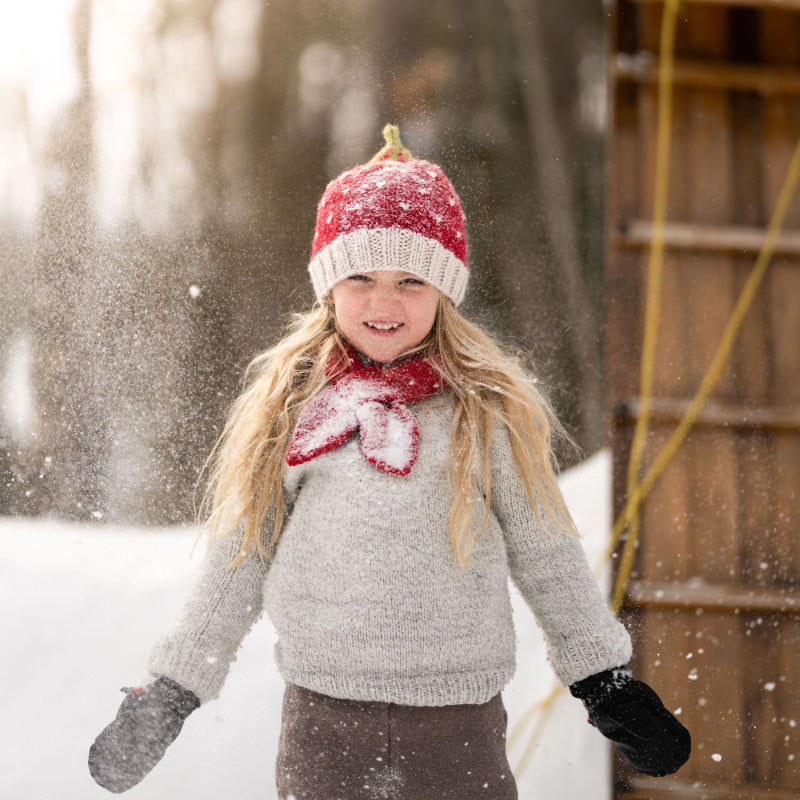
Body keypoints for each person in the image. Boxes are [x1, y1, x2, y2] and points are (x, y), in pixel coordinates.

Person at [89, 125, 690, 798]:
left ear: (444, 290)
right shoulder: (293, 407)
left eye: (410, 279)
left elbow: (546, 553)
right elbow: (240, 557)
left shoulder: (484, 412)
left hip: (458, 726)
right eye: (361, 278)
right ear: (328, 286)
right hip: (323, 725)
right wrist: (171, 692)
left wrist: (604, 681)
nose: (383, 302)